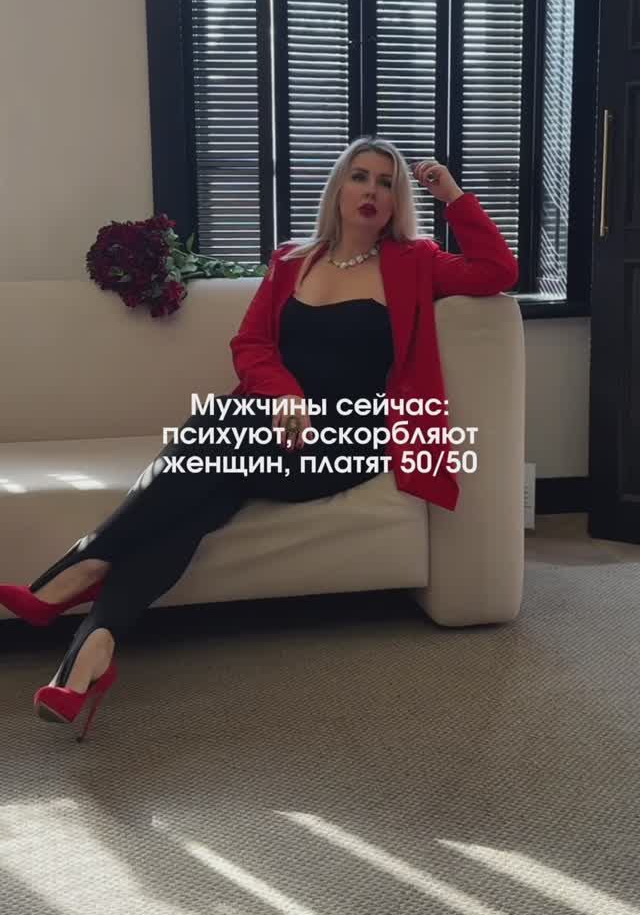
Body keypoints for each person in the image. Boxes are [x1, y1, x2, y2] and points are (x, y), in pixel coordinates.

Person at [0, 136, 518, 740]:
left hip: (346, 438)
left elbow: (497, 271)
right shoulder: (293, 261)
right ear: (338, 188)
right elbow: (251, 345)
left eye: (386, 182)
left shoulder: (416, 261)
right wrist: (285, 398)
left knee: (213, 432)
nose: (372, 191)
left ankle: (84, 564)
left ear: (397, 199)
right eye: (360, 177)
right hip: (272, 424)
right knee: (198, 499)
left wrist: (452, 196)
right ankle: (89, 656)